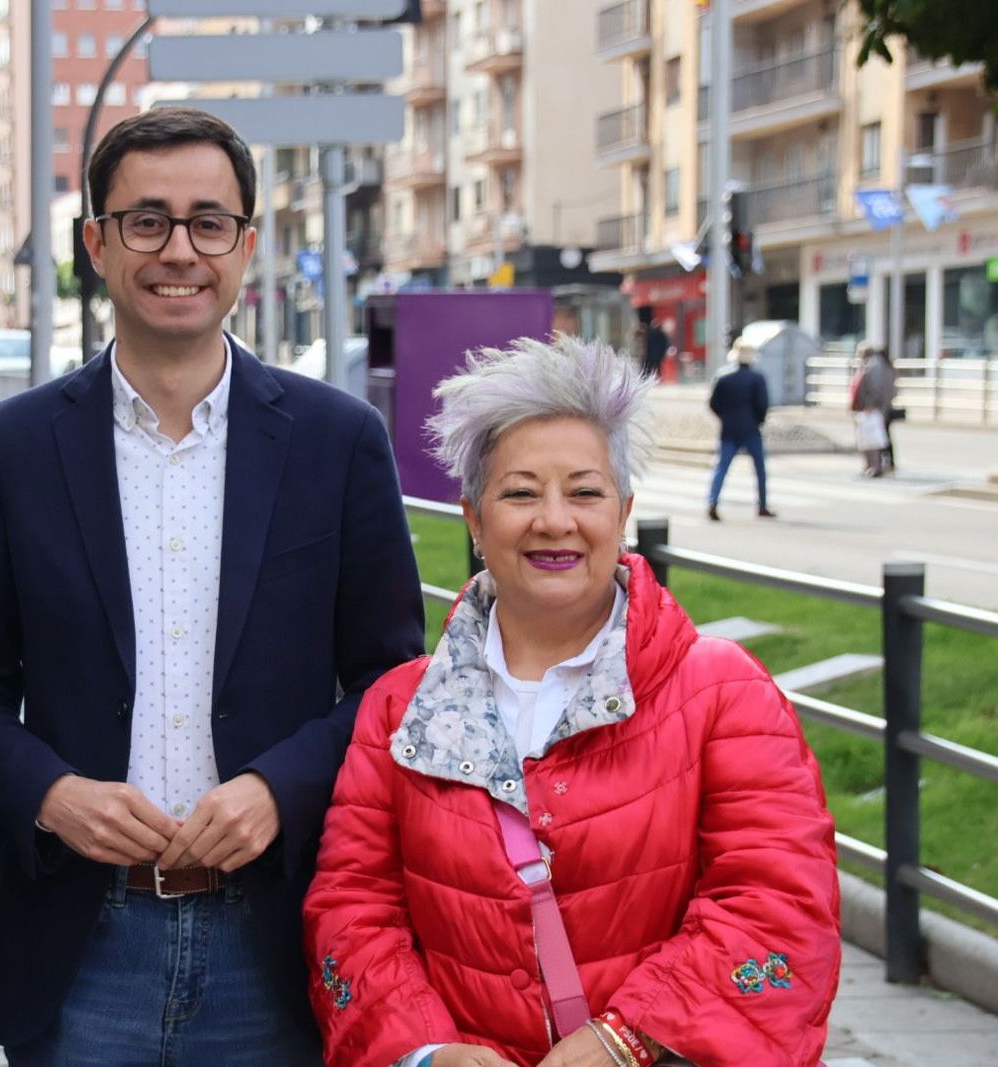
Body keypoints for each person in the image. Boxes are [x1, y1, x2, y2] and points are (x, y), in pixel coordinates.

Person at [0, 106, 424, 1066]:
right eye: (145, 220)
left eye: (209, 222)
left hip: (278, 936)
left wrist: (280, 789)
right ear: (97, 243)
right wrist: (50, 793)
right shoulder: (11, 448)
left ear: (247, 244)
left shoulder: (337, 441)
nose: (179, 250)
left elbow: (392, 682)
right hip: (80, 942)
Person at [303, 335, 841, 1067]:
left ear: (622, 510)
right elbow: (352, 906)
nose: (554, 520)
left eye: (584, 491)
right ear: (473, 517)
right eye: (521, 492)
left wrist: (627, 1041)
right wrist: (429, 1051)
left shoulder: (723, 694)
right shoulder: (400, 710)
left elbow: (782, 904)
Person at [706, 341, 776, 521]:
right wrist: (757, 420)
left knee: (722, 467)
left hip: (729, 428)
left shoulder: (723, 377)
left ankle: (712, 502)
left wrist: (725, 416)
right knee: (759, 468)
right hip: (751, 428)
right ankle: (762, 505)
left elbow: (713, 403)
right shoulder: (757, 378)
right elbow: (763, 405)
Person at [850, 342, 896, 477]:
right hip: (880, 407)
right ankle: (880, 465)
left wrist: (871, 404)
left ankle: (876, 466)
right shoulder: (881, 365)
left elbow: (875, 388)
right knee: (878, 436)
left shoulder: (874, 365)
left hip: (873, 408)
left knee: (873, 438)